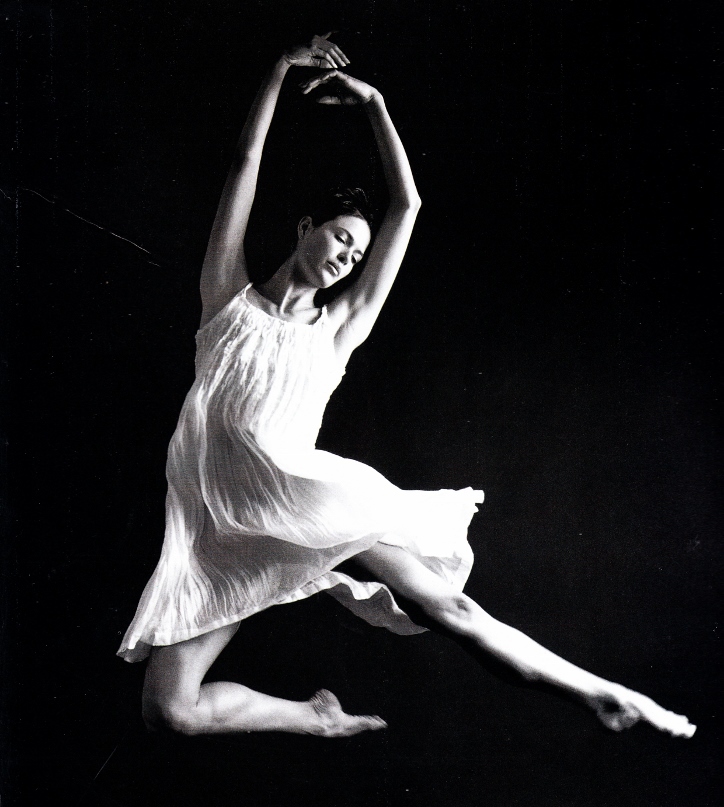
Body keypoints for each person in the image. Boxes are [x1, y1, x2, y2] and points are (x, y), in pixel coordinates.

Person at [118, 33, 695, 741]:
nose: (347, 259)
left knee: (448, 610)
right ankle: (316, 719)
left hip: (306, 501)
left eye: (359, 253)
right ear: (305, 226)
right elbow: (245, 163)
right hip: (219, 526)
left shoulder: (339, 329)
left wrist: (376, 106)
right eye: (340, 238)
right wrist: (277, 70)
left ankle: (605, 694)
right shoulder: (225, 299)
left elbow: (409, 205)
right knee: (169, 711)